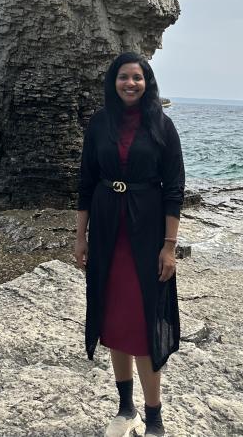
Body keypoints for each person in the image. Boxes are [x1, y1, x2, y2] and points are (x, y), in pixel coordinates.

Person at [75, 52, 185, 437]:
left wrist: (169, 246)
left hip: (147, 231)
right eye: (124, 77)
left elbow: (174, 190)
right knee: (112, 319)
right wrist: (80, 236)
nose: (130, 84)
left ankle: (154, 417)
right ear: (113, 81)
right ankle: (126, 408)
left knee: (143, 323)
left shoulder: (162, 125)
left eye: (137, 77)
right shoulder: (100, 124)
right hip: (107, 230)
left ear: (147, 81)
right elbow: (86, 182)